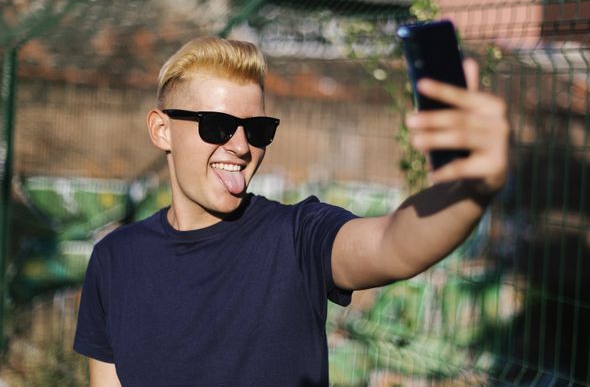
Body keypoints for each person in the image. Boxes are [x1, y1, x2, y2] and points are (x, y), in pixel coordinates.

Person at [73, 36, 509, 386]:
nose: (241, 147)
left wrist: (467, 190)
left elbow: (393, 245)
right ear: (162, 130)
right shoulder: (116, 258)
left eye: (258, 130)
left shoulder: (297, 236)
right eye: (217, 126)